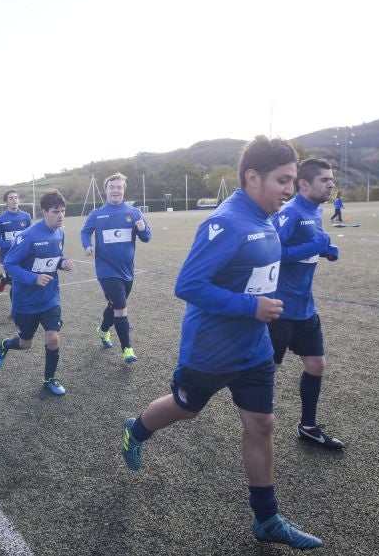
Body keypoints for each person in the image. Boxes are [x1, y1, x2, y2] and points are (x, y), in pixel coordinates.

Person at [120, 136, 323, 549]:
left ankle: (266, 518)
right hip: (211, 351)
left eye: (293, 180)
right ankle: (136, 430)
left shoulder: (267, 215)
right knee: (185, 408)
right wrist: (252, 307)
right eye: (283, 179)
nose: (290, 189)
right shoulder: (227, 221)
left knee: (262, 425)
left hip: (255, 350)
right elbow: (188, 285)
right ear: (253, 176)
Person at [269, 158, 344, 450]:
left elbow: (309, 247)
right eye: (324, 179)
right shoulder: (291, 212)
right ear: (304, 184)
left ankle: (308, 427)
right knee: (269, 369)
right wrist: (314, 247)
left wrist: (326, 249)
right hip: (279, 307)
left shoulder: (315, 211)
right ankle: (259, 423)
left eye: (331, 179)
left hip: (305, 306)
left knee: (316, 364)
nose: (331, 184)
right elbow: (270, 251)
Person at [0, 190, 74, 396]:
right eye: (56, 211)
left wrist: (63, 263)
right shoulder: (27, 236)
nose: (61, 215)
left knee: (53, 338)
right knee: (26, 343)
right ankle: (5, 345)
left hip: (50, 297)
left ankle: (49, 379)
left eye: (63, 211)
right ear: (45, 212)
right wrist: (33, 278)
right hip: (26, 301)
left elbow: (55, 257)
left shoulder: (60, 233)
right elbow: (9, 264)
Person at [80, 172, 151, 363]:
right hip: (106, 270)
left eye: (119, 187)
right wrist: (87, 245)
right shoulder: (97, 214)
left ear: (123, 190)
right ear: (106, 190)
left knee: (113, 306)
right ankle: (127, 349)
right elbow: (85, 232)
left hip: (127, 271)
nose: (115, 190)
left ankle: (103, 330)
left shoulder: (135, 212)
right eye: (112, 187)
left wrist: (143, 228)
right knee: (120, 308)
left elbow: (146, 238)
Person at [0, 190, 32, 300]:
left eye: (16, 197)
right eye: (11, 198)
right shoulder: (1, 219)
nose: (14, 200)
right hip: (8, 257)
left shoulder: (26, 217)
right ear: (6, 202)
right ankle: (15, 311)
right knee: (15, 285)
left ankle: (5, 279)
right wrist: (9, 244)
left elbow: (30, 236)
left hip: (24, 256)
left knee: (23, 282)